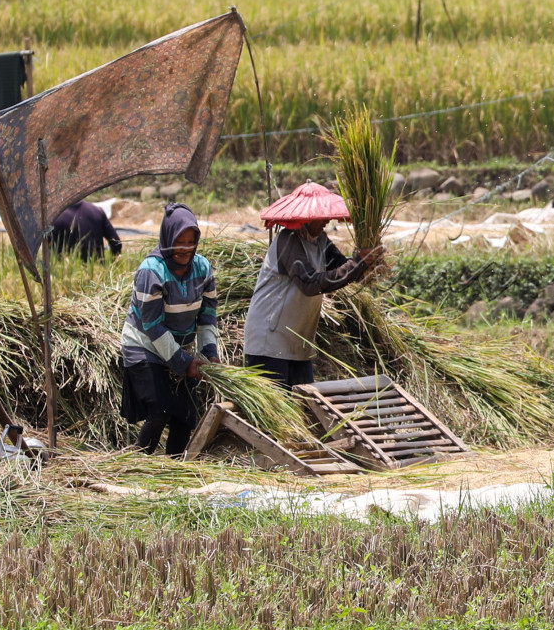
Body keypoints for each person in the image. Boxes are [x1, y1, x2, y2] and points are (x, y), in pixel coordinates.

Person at [243, 182, 384, 390]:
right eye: (321, 216)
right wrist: (357, 264)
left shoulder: (320, 239)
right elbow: (310, 283)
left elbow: (341, 267)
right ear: (306, 218)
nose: (327, 220)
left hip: (298, 341)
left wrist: (367, 263)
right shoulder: (288, 240)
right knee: (277, 411)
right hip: (269, 341)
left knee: (305, 406)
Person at [120, 203, 219, 456]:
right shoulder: (151, 271)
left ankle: (174, 468)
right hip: (144, 346)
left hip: (179, 349)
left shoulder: (203, 268)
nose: (185, 249)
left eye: (191, 241)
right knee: (161, 410)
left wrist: (210, 353)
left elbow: (207, 316)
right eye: (179, 241)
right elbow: (152, 326)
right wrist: (183, 362)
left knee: (186, 416)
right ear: (167, 239)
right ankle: (139, 464)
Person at [50, 200, 122, 261]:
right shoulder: (97, 211)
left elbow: (50, 250)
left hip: (68, 273)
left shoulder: (56, 216)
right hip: (97, 270)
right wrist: (114, 261)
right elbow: (116, 242)